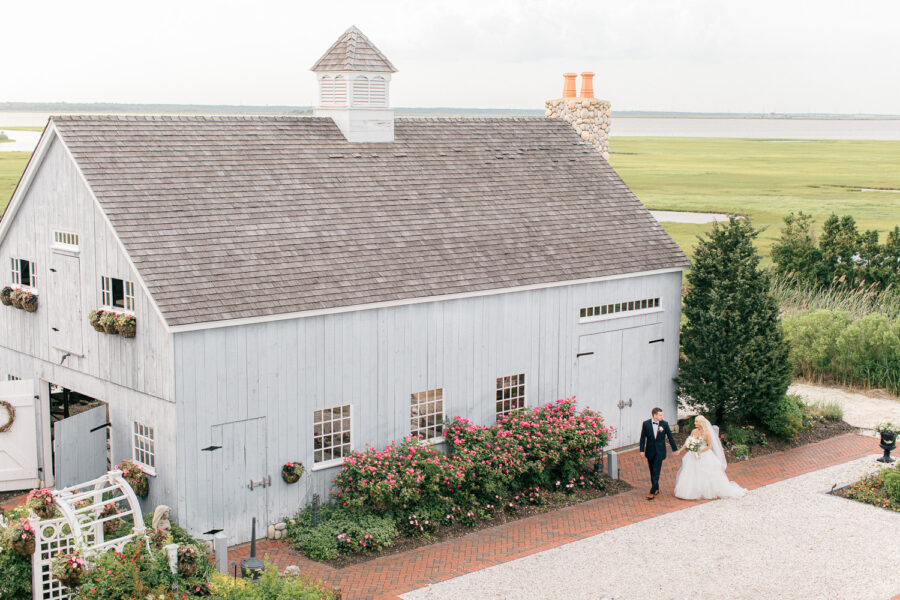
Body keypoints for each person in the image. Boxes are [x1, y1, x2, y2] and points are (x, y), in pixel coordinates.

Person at [673, 415, 746, 500]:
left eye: (696, 421)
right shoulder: (693, 431)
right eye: (695, 421)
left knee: (706, 473)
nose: (695, 423)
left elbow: (710, 446)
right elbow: (688, 443)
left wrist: (700, 451)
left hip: (704, 454)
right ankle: (691, 490)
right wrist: (680, 451)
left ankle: (706, 491)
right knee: (691, 472)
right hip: (693, 454)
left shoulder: (707, 433)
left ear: (701, 423)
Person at [639, 407, 678, 500]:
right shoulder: (646, 424)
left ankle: (652, 492)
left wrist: (675, 449)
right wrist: (641, 450)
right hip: (650, 451)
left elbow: (670, 437)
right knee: (652, 471)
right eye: (660, 415)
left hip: (660, 451)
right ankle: (656, 488)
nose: (662, 416)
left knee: (656, 471)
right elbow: (642, 438)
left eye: (662, 415)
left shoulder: (664, 424)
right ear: (654, 415)